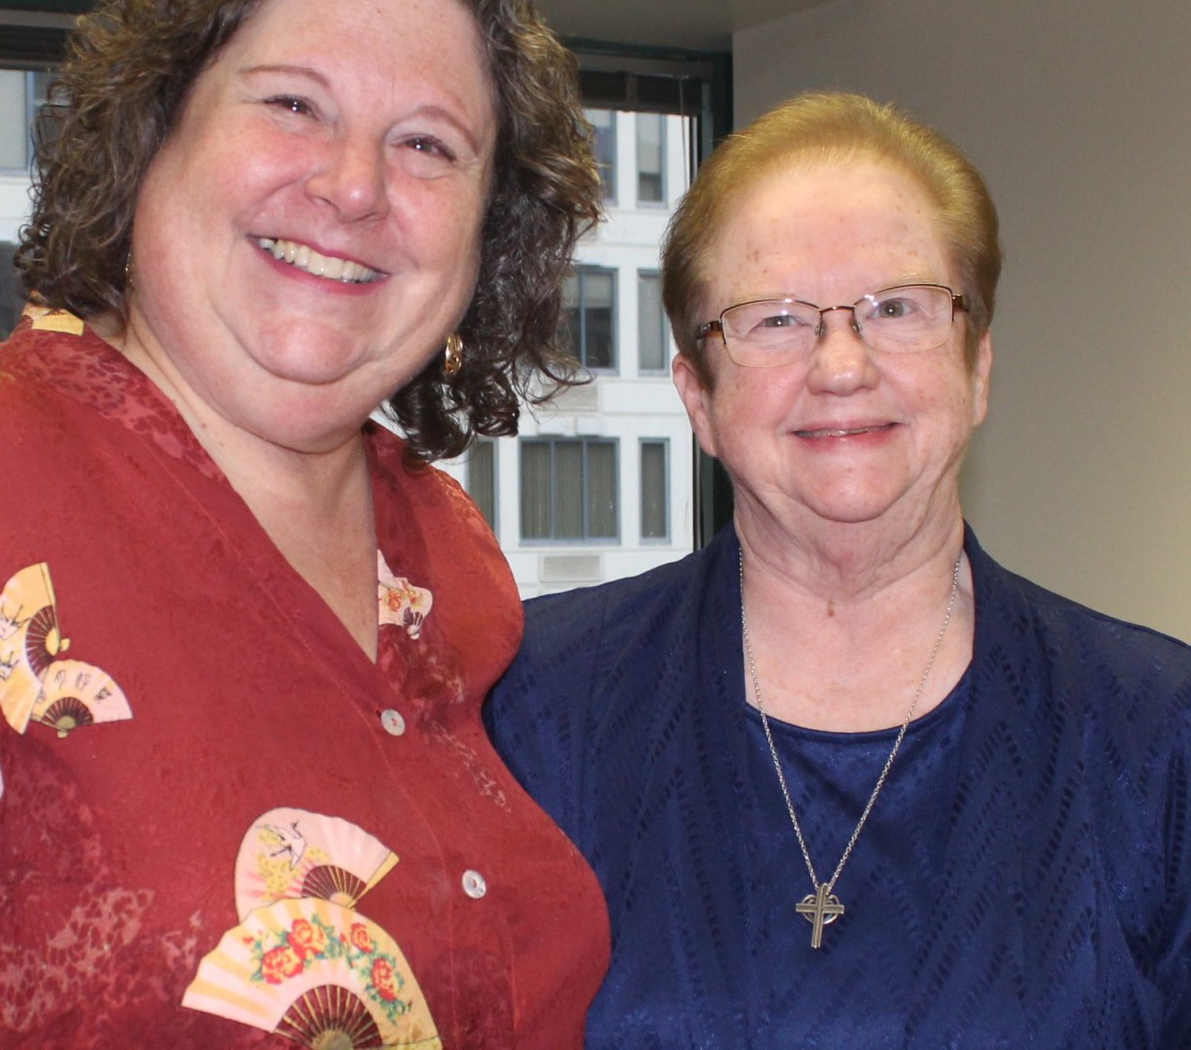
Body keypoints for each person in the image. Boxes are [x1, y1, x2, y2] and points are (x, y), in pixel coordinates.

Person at [0, 0, 610, 1048]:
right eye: (291, 104)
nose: (354, 186)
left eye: (428, 144)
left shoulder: (446, 558)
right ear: (149, 136)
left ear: (489, 234)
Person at [488, 91, 1191, 1047]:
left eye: (896, 307)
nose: (842, 364)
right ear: (697, 395)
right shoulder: (535, 711)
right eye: (775, 320)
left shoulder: (1157, 733)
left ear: (977, 365)